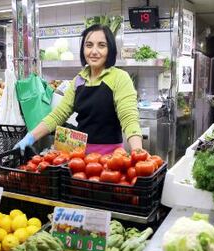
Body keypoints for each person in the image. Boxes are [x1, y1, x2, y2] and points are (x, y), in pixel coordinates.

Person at [15, 24, 142, 155]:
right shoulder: (78, 80)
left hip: (111, 159)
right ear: (83, 49)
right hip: (79, 157)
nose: (94, 51)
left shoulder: (120, 78)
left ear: (110, 49)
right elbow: (58, 115)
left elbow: (129, 118)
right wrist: (31, 137)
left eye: (101, 45)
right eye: (89, 45)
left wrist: (137, 151)